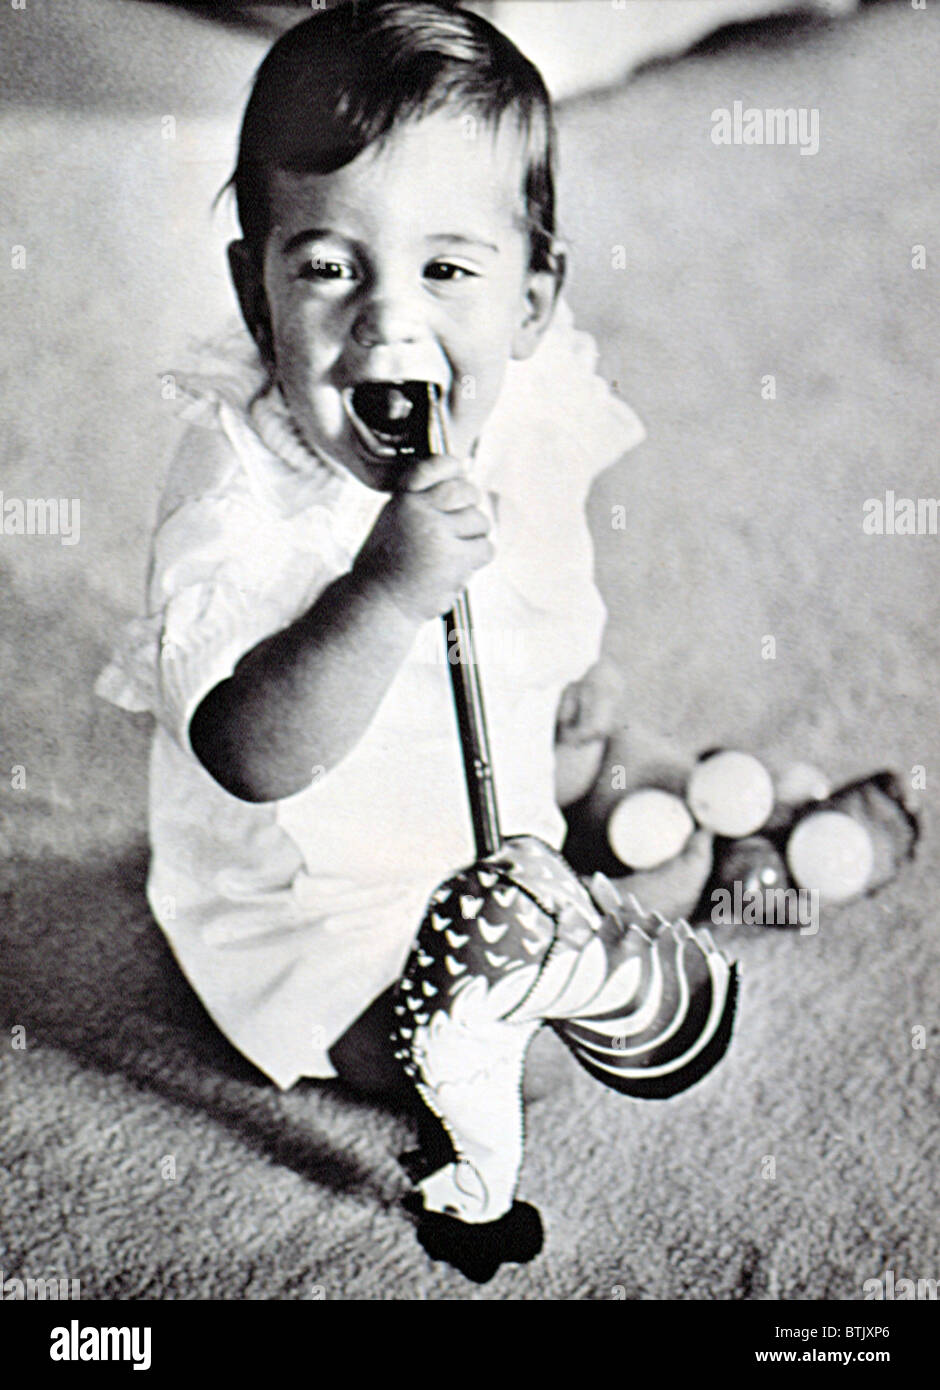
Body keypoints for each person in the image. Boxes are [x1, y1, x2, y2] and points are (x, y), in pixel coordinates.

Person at [98, 1, 725, 1270]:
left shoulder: (529, 391)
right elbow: (248, 753)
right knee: (527, 1064)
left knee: (644, 785)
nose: (388, 322)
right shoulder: (239, 491)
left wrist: (569, 673)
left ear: (532, 299)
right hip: (316, 899)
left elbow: (541, 552)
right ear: (250, 280)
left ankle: (582, 877)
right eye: (328, 265)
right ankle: (513, 984)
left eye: (448, 269)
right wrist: (380, 593)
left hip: (480, 772)